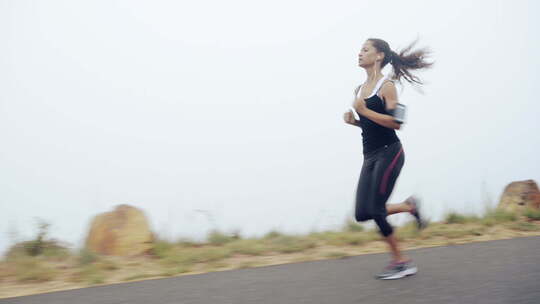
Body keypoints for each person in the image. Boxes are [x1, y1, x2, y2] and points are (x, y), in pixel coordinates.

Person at [343, 38, 433, 280]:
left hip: (390, 153)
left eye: (365, 49)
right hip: (370, 156)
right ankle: (408, 206)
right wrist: (357, 122)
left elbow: (397, 123)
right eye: (359, 49)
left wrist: (364, 111)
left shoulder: (387, 85)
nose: (359, 53)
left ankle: (402, 262)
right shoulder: (359, 89)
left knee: (376, 209)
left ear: (379, 55)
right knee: (363, 213)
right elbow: (371, 125)